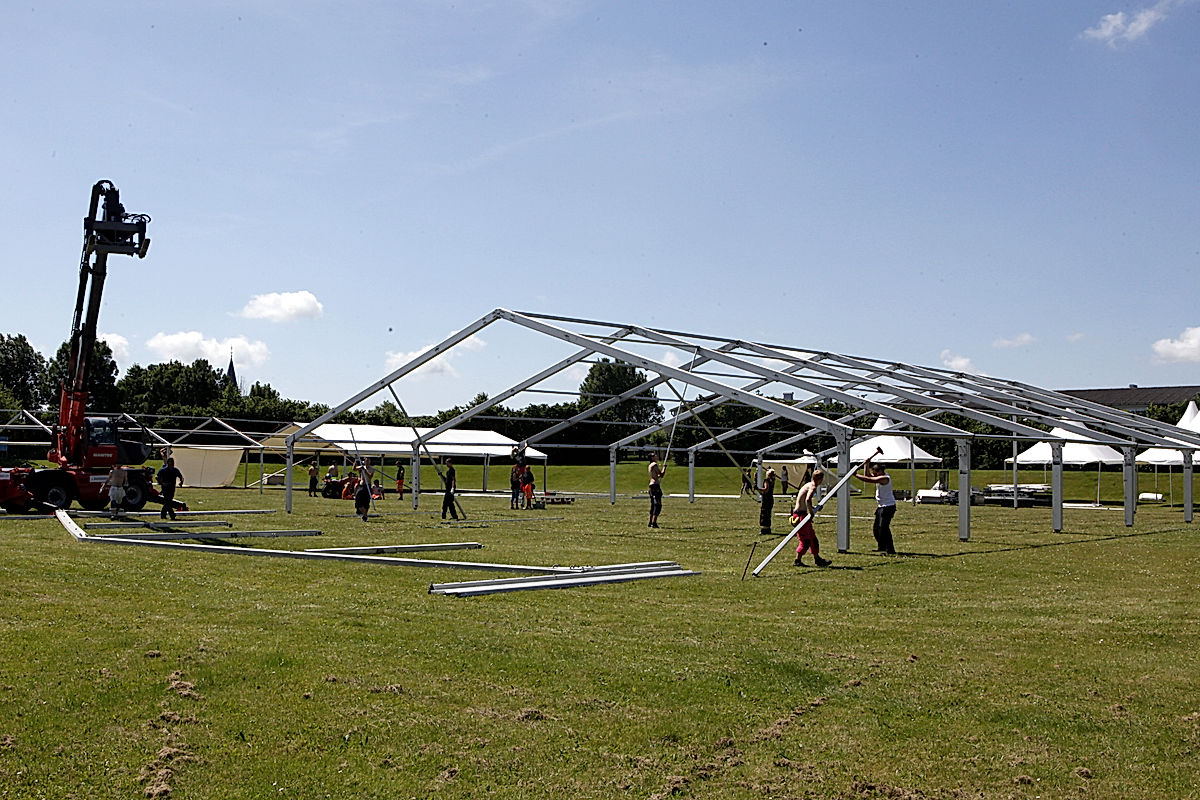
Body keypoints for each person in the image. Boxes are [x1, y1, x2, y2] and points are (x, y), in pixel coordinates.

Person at [855, 450, 897, 554]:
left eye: (875, 472)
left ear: (880, 471)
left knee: (884, 528)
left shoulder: (885, 478)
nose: (873, 474)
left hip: (888, 506)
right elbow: (868, 476)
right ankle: (881, 547)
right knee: (876, 528)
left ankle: (890, 549)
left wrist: (855, 474)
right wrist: (867, 464)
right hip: (881, 506)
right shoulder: (879, 476)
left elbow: (869, 480)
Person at [792, 470, 831, 567]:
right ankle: (798, 560)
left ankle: (817, 559)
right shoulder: (812, 486)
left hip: (800, 514)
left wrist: (812, 509)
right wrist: (811, 512)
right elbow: (807, 500)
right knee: (806, 540)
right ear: (820, 479)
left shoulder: (808, 484)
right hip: (800, 516)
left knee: (813, 539)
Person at [648, 453, 666, 528]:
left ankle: (650, 522)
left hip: (651, 485)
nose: (656, 456)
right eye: (654, 455)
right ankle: (654, 522)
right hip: (655, 486)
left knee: (653, 504)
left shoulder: (650, 466)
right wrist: (664, 468)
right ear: (652, 458)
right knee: (658, 504)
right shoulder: (654, 464)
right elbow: (661, 475)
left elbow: (656, 475)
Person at [758, 468, 777, 535]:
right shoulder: (773, 480)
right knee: (768, 513)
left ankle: (764, 528)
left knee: (764, 513)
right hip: (770, 498)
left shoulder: (767, 481)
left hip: (766, 499)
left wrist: (758, 489)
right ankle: (768, 527)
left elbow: (766, 489)